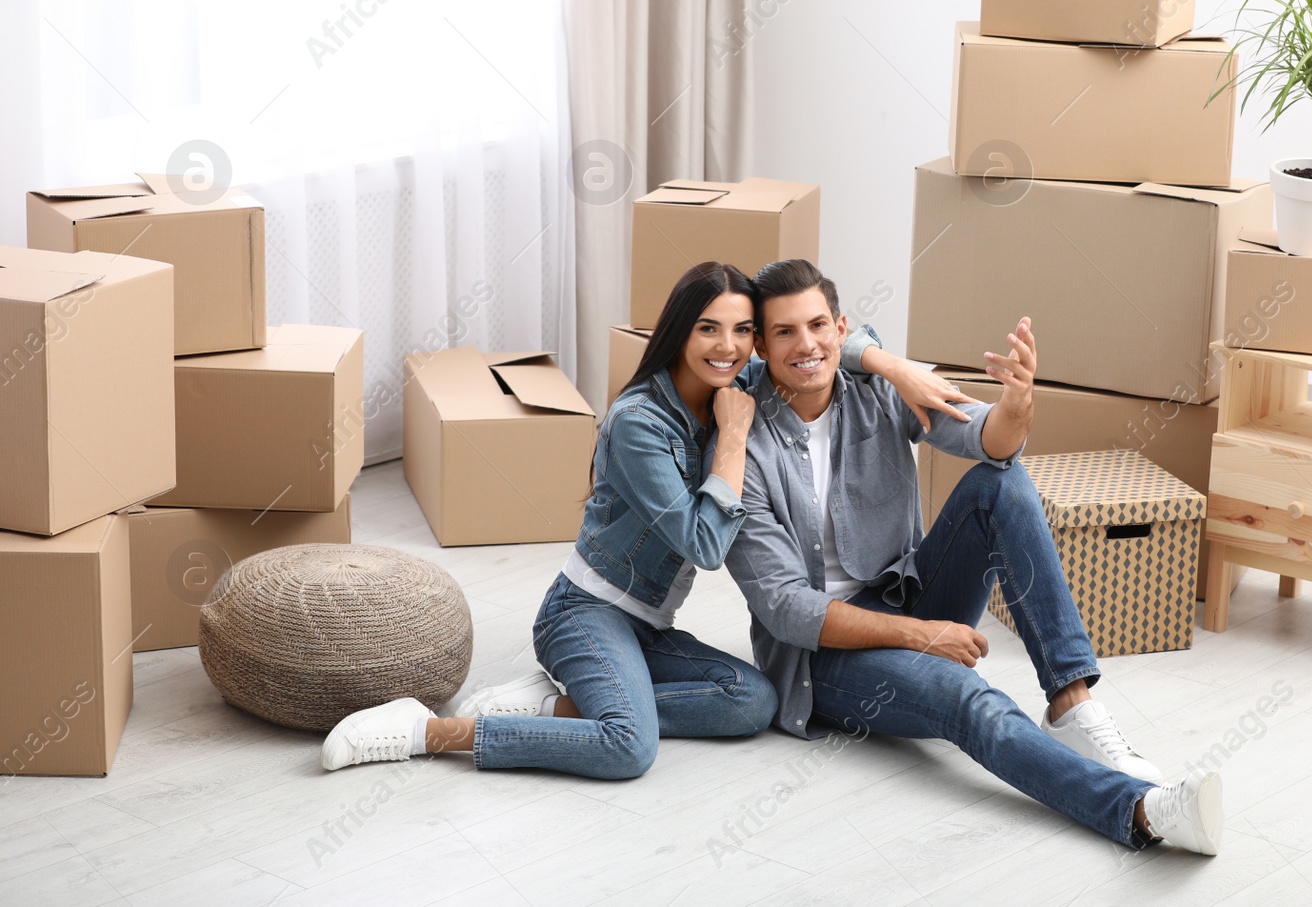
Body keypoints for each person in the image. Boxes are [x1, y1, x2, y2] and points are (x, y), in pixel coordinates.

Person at [321, 261, 964, 778]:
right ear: (680, 332)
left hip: (650, 627)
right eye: (710, 329)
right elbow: (706, 544)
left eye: (743, 332)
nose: (729, 347)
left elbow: (828, 340)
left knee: (756, 701)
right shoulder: (639, 423)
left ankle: (559, 706)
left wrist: (889, 364)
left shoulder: (739, 380)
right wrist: (735, 437)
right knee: (629, 747)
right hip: (586, 612)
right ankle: (428, 732)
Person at [723, 259, 1225, 855]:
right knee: (965, 698)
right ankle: (1141, 812)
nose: (805, 345)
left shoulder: (879, 385)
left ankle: (1072, 705)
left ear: (840, 327)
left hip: (906, 591)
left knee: (1002, 483)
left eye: (817, 326)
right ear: (759, 343)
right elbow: (787, 611)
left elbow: (987, 439)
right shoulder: (741, 442)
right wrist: (922, 637)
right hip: (820, 658)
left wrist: (1017, 405)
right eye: (784, 332)